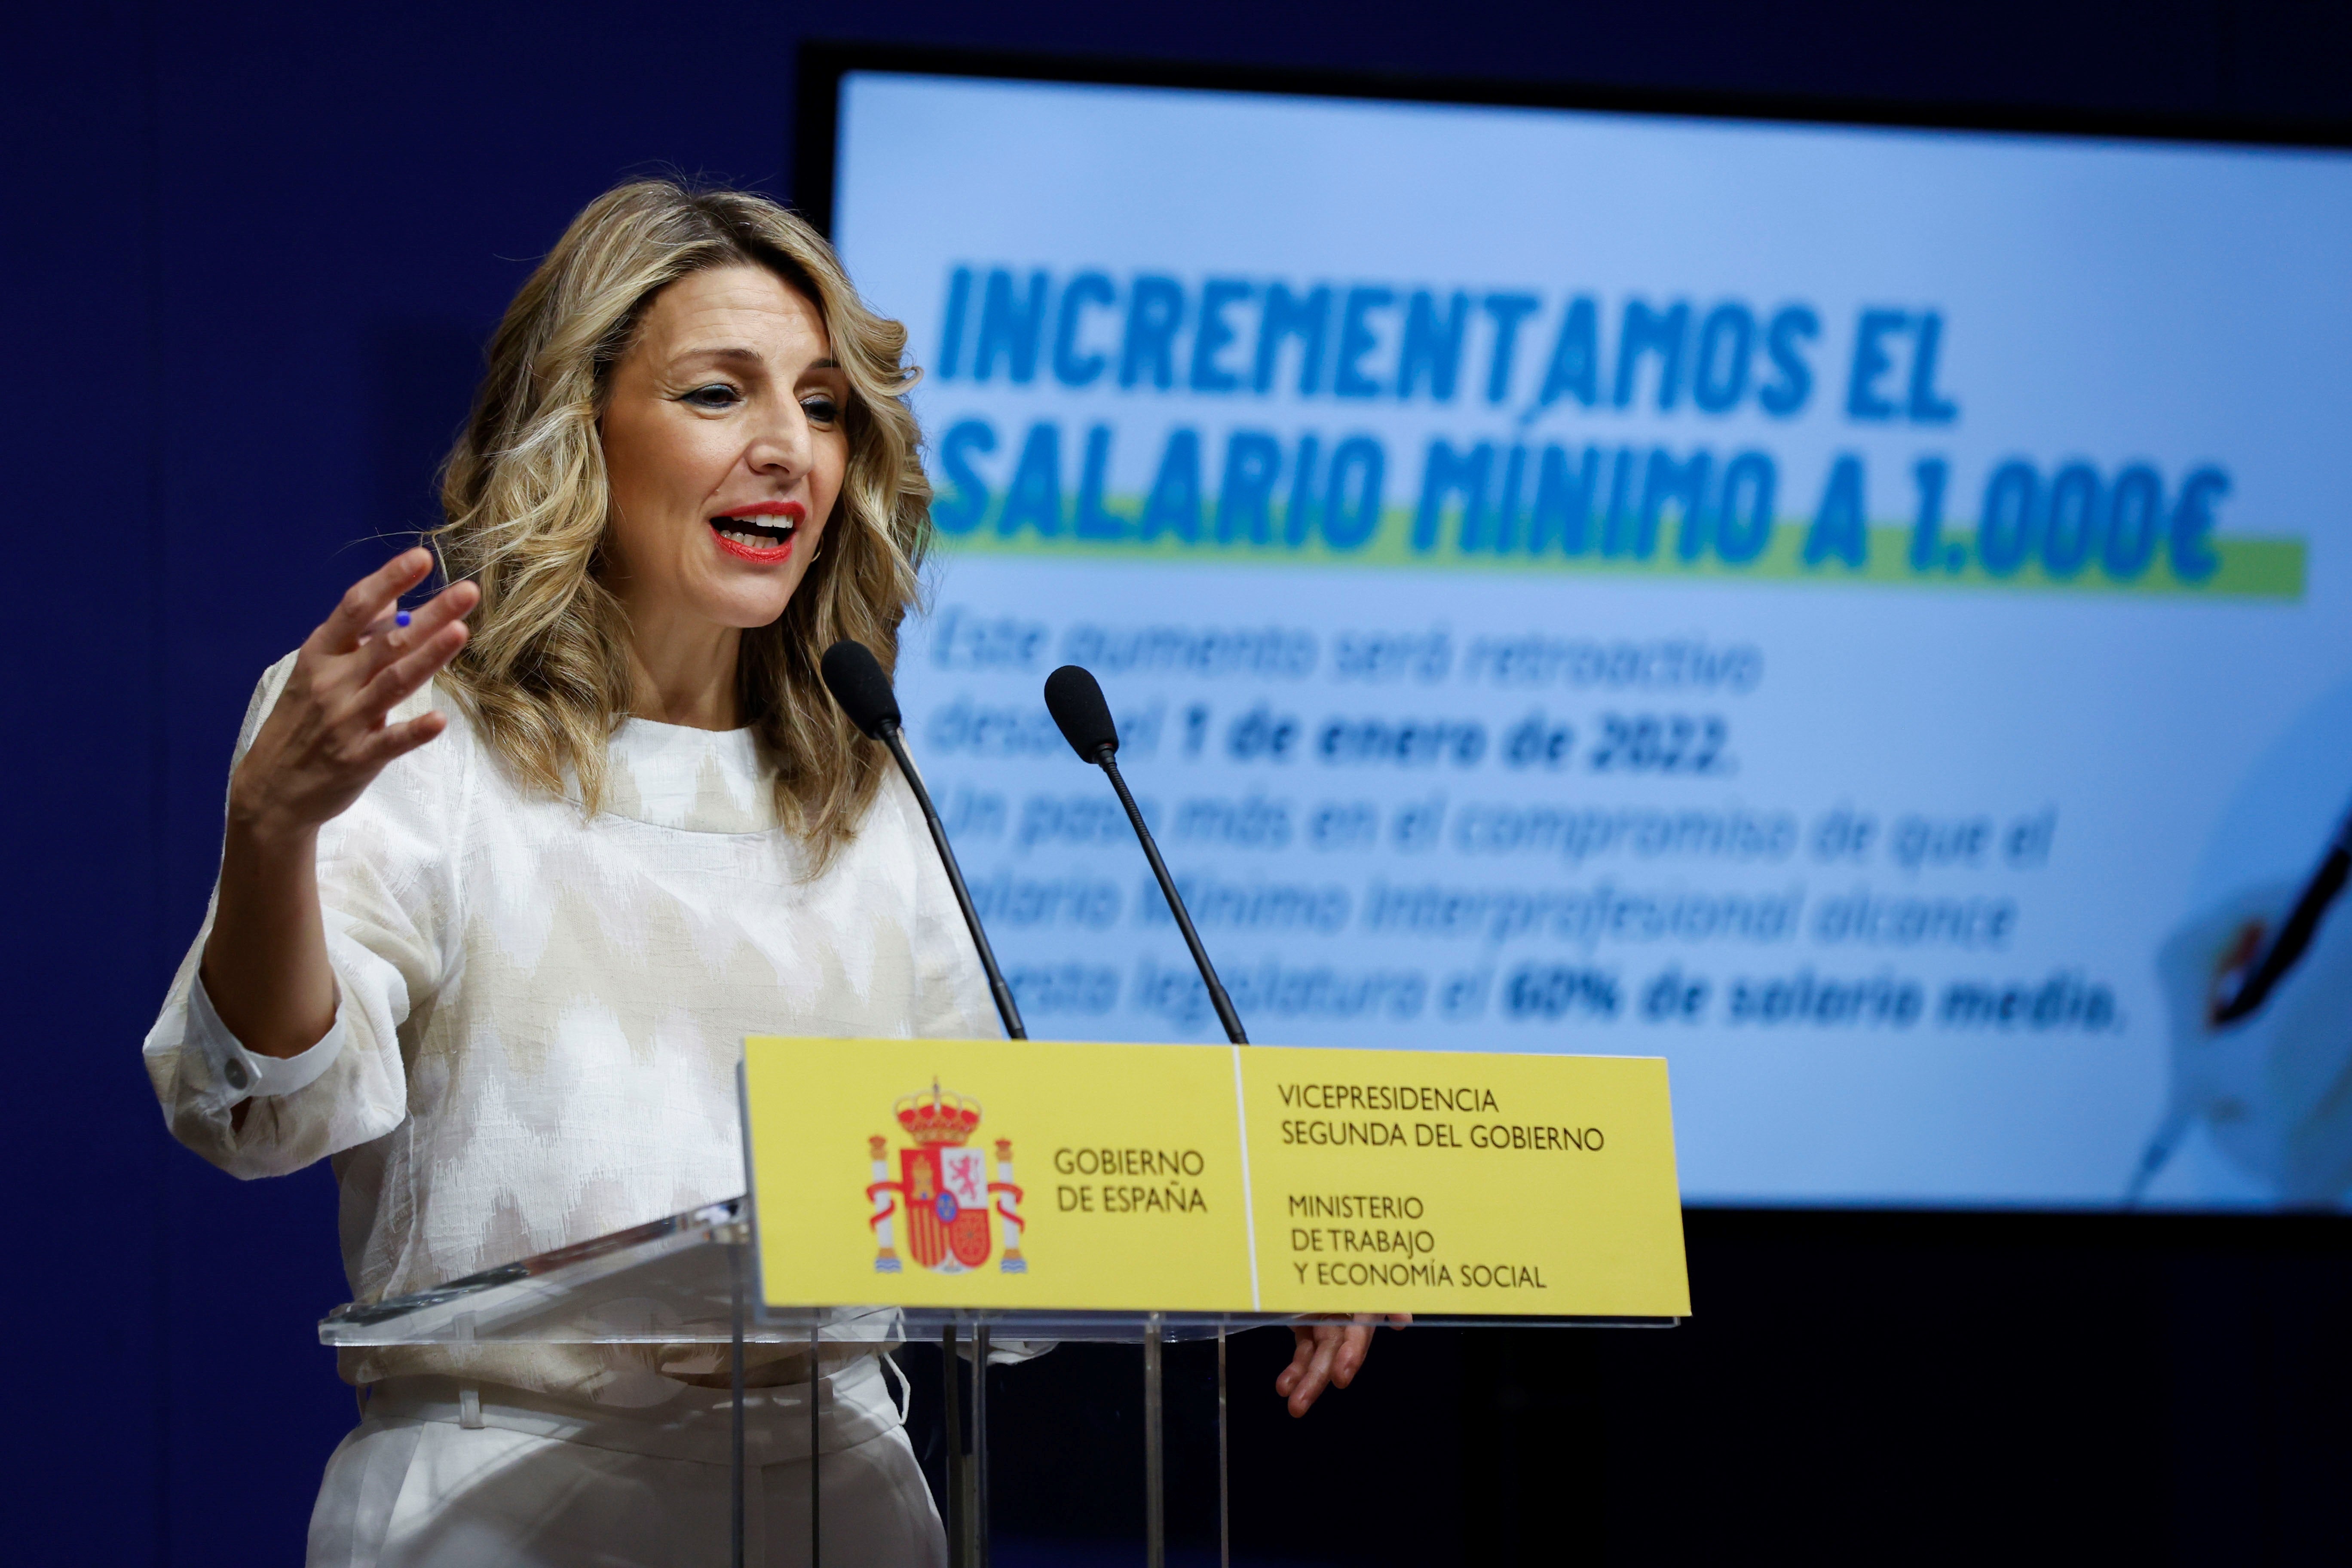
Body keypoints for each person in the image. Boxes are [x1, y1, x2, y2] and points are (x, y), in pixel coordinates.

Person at [142, 179, 1380, 1567]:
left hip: (839, 1500)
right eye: (720, 395)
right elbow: (268, 1109)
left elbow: (1006, 1196)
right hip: (506, 1503)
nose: (791, 449)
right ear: (581, 429)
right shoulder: (424, 744)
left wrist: (1294, 1222)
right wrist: (271, 838)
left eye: (825, 404)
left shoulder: (858, 784)